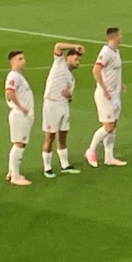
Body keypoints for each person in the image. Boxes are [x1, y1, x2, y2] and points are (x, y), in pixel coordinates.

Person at [85, 28, 127, 168]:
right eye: (120, 34)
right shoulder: (105, 52)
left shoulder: (116, 52)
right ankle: (90, 150)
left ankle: (109, 157)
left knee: (113, 125)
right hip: (105, 95)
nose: (122, 36)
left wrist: (120, 84)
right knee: (108, 126)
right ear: (114, 36)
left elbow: (113, 71)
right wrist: (103, 88)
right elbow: (96, 70)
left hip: (115, 95)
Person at [41, 42, 84, 177]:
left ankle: (65, 165)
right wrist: (75, 45)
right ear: (68, 58)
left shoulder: (72, 78)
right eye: (76, 59)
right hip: (51, 104)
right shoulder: (59, 63)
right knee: (50, 137)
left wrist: (69, 95)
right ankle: (47, 168)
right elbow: (58, 46)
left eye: (79, 61)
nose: (78, 63)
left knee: (63, 136)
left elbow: (70, 97)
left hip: (64, 106)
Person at [5, 50, 34, 186]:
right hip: (19, 115)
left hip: (22, 115)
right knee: (19, 144)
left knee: (19, 144)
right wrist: (21, 107)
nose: (23, 61)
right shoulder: (14, 76)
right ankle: (15, 177)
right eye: (20, 59)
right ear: (13, 61)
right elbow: (9, 92)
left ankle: (12, 171)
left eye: (23, 58)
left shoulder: (18, 76)